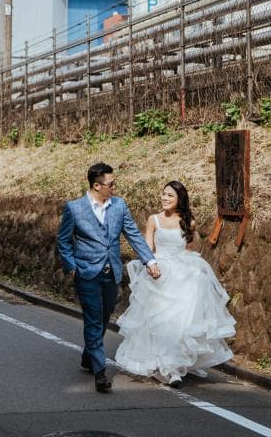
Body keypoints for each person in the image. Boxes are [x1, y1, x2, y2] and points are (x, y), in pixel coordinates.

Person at [114, 180, 236, 387]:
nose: (165, 198)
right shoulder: (154, 220)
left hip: (184, 275)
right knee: (159, 322)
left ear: (180, 199)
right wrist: (152, 267)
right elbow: (147, 249)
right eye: (163, 194)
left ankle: (175, 367)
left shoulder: (189, 222)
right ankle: (164, 365)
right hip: (159, 274)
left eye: (170, 195)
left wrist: (193, 271)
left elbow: (188, 249)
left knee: (181, 324)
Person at [57, 162, 161, 393]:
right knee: (94, 319)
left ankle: (88, 357)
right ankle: (100, 373)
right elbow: (63, 241)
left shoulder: (119, 206)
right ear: (96, 185)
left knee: (104, 317)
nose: (114, 187)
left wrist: (150, 261)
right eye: (110, 184)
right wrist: (71, 267)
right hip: (86, 273)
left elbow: (133, 235)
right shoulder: (74, 209)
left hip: (111, 272)